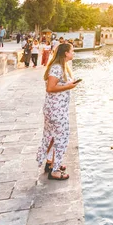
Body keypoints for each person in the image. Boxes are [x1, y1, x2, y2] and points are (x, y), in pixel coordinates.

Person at [36, 43, 79, 180]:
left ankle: (50, 163)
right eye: (72, 51)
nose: (74, 53)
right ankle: (54, 170)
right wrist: (68, 86)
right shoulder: (57, 68)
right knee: (62, 138)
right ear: (66, 53)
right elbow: (50, 88)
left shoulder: (61, 67)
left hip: (55, 109)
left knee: (52, 136)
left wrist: (68, 85)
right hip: (56, 110)